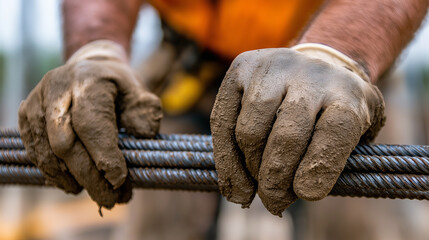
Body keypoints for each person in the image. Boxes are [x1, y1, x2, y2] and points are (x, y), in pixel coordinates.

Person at [18, 0, 428, 236]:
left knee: (363, 228)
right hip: (190, 63)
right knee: (160, 229)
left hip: (340, 64)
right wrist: (95, 49)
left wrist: (336, 53)